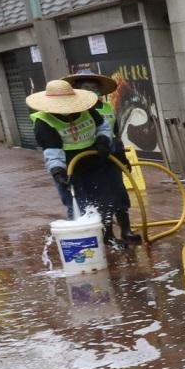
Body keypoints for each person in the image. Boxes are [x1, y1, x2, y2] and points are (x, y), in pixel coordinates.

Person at [29, 79, 141, 246]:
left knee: (104, 200)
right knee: (79, 204)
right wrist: (58, 172)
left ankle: (107, 236)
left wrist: (102, 141)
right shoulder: (44, 122)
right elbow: (52, 151)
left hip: (94, 162)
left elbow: (103, 127)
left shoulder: (87, 110)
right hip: (69, 168)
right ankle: (87, 242)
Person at [63, 70, 137, 244]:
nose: (92, 91)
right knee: (100, 199)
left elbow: (115, 134)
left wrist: (122, 158)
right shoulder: (77, 112)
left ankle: (126, 230)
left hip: (111, 158)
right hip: (90, 161)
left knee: (119, 193)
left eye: (95, 88)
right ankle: (106, 233)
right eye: (87, 88)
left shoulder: (108, 108)